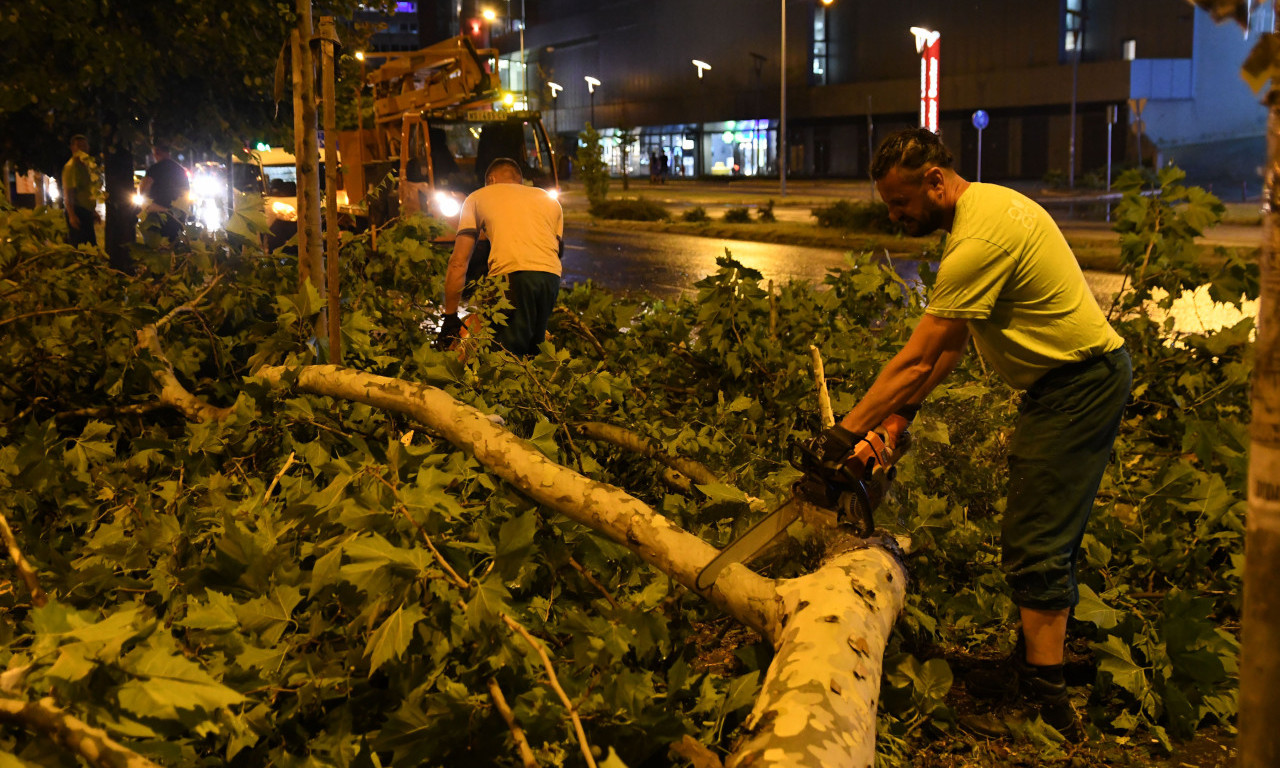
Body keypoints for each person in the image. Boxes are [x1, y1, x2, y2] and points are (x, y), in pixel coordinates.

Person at [803, 128, 1131, 738]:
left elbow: (917, 359)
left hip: (1079, 386)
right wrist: (897, 418)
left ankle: (1046, 706)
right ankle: (1031, 665)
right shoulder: (983, 213)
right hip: (1069, 384)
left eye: (901, 202)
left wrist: (842, 435)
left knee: (1037, 537)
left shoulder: (979, 239)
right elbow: (951, 344)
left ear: (934, 180)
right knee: (1041, 528)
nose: (895, 216)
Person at [437, 158, 564, 357]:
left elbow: (458, 262)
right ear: (519, 181)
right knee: (535, 353)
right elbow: (556, 249)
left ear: (491, 180)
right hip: (551, 278)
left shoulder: (477, 197)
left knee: (504, 356)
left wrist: (450, 316)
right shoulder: (550, 200)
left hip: (512, 278)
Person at [140, 142, 189, 244]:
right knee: (173, 244)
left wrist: (145, 205)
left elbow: (144, 189)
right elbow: (186, 193)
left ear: (156, 153)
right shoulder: (180, 170)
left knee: (155, 244)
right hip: (177, 214)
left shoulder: (154, 169)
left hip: (157, 213)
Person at [61, 134, 98, 247]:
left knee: (91, 246)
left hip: (86, 212)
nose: (83, 149)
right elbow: (68, 193)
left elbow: (87, 190)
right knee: (81, 248)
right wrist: (72, 215)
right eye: (79, 146)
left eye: (85, 146)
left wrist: (93, 211)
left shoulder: (87, 166)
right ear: (73, 148)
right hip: (78, 212)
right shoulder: (71, 167)